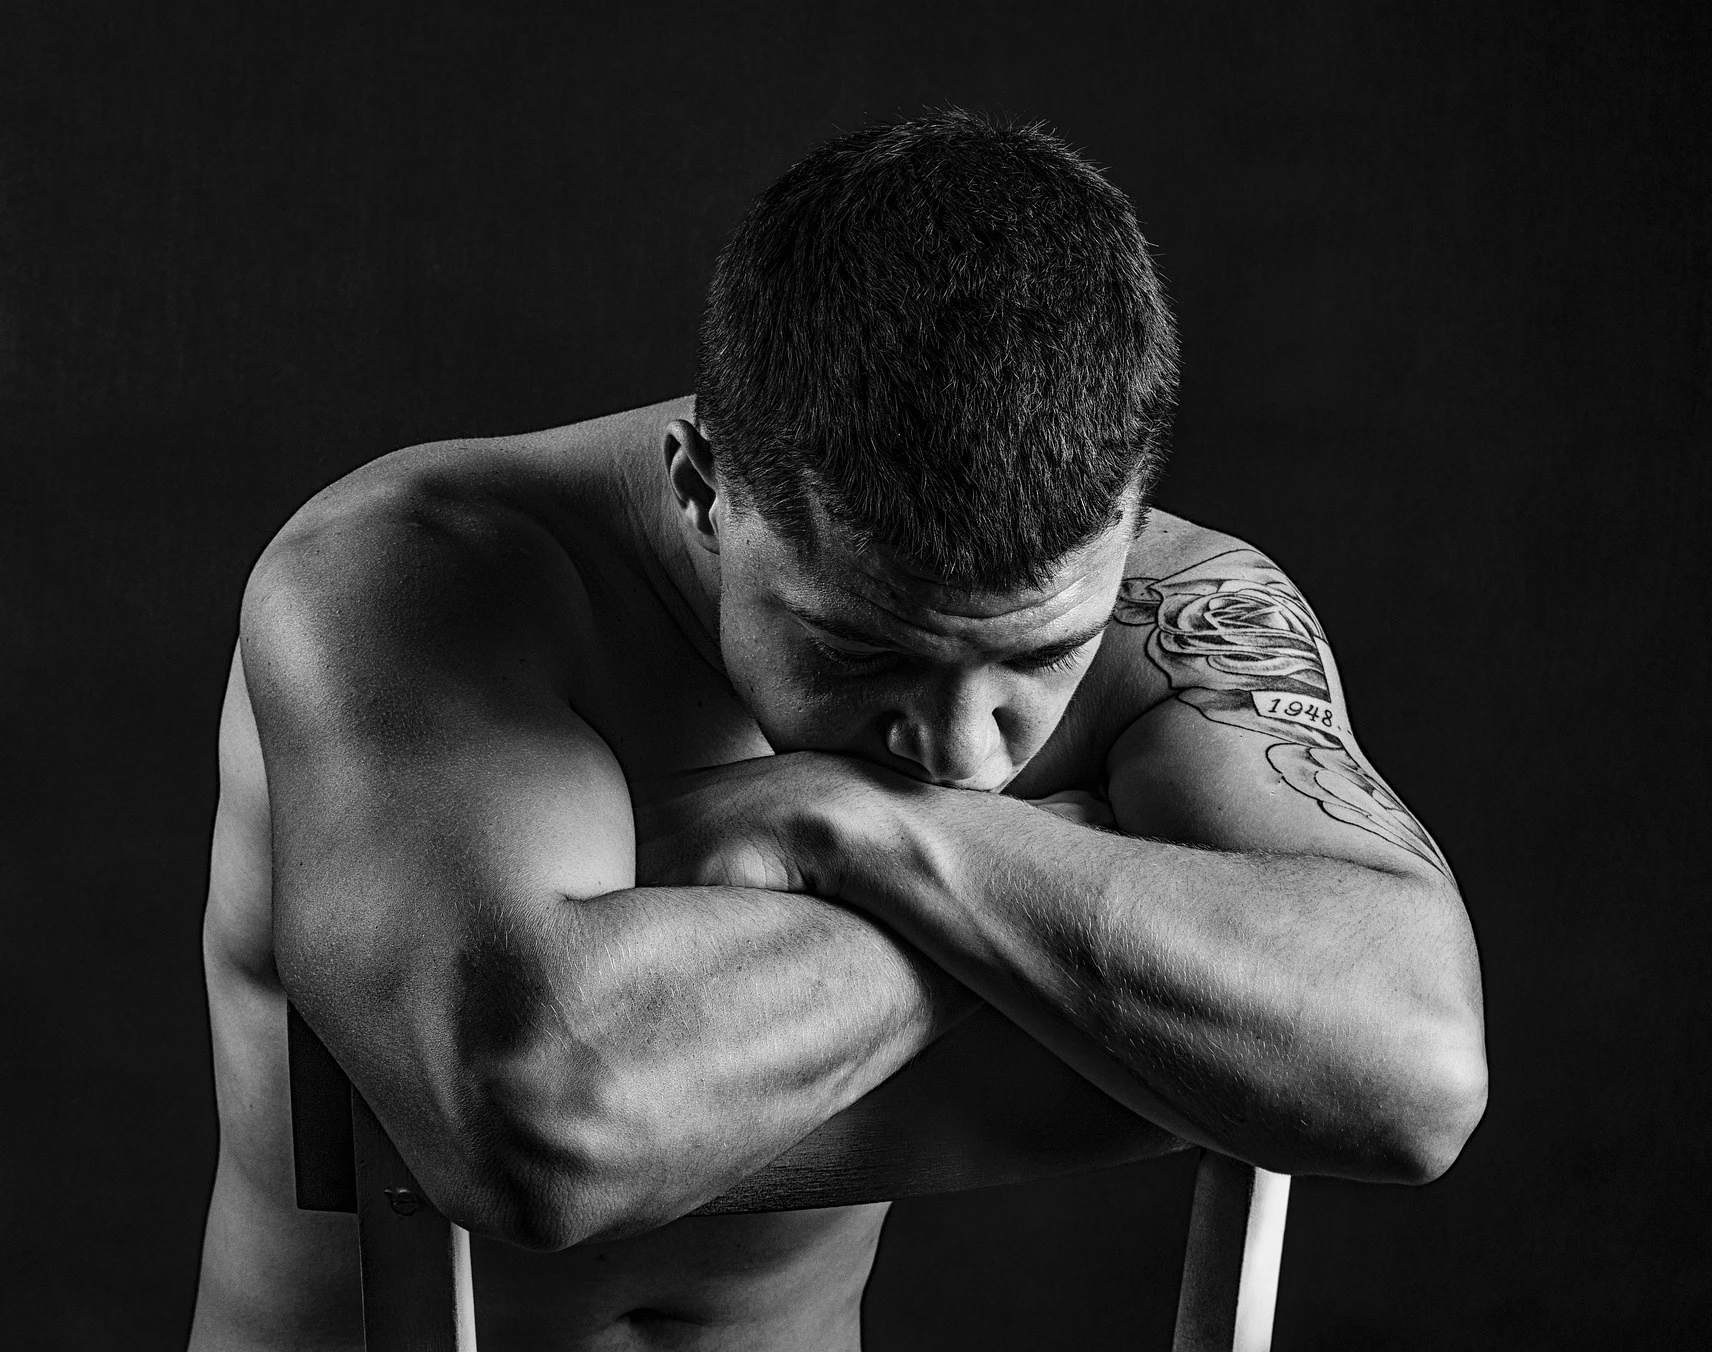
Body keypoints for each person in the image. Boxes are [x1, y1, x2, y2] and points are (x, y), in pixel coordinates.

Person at [189, 110, 1486, 1351]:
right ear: (703, 488)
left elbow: (1413, 1072)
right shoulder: (411, 583)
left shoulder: (1175, 608)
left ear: (1132, 523)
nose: (964, 754)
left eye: (1039, 657)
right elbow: (541, 1132)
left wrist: (857, 831)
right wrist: (1057, 895)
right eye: (866, 653)